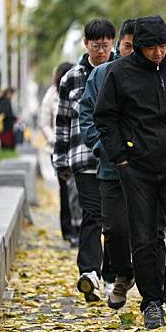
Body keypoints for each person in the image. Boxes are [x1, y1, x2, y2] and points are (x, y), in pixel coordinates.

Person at [94, 15, 166, 329]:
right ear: (139, 47)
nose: (158, 52)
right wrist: (121, 159)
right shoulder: (119, 73)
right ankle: (151, 300)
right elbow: (105, 117)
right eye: (151, 46)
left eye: (163, 45)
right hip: (136, 169)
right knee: (143, 238)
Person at [79, 19, 166, 310]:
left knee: (153, 231)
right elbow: (89, 117)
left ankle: (156, 290)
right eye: (127, 46)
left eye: (137, 46)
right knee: (115, 229)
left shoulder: (160, 74)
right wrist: (107, 149)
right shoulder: (103, 75)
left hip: (150, 170)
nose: (133, 52)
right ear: (120, 46)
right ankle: (123, 273)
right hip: (112, 169)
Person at [53, 18, 116, 302]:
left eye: (105, 45)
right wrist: (61, 160)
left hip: (116, 160)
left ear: (112, 44)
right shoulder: (72, 78)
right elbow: (63, 120)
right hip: (83, 158)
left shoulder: (121, 72)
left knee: (115, 220)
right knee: (92, 214)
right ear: (86, 45)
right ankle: (89, 272)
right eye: (95, 45)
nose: (100, 51)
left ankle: (112, 274)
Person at [39, 62, 82, 245]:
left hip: (76, 148)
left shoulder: (78, 90)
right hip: (57, 149)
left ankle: (81, 227)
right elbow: (44, 123)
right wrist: (54, 139)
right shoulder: (51, 95)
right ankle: (68, 229)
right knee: (65, 190)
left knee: (79, 190)